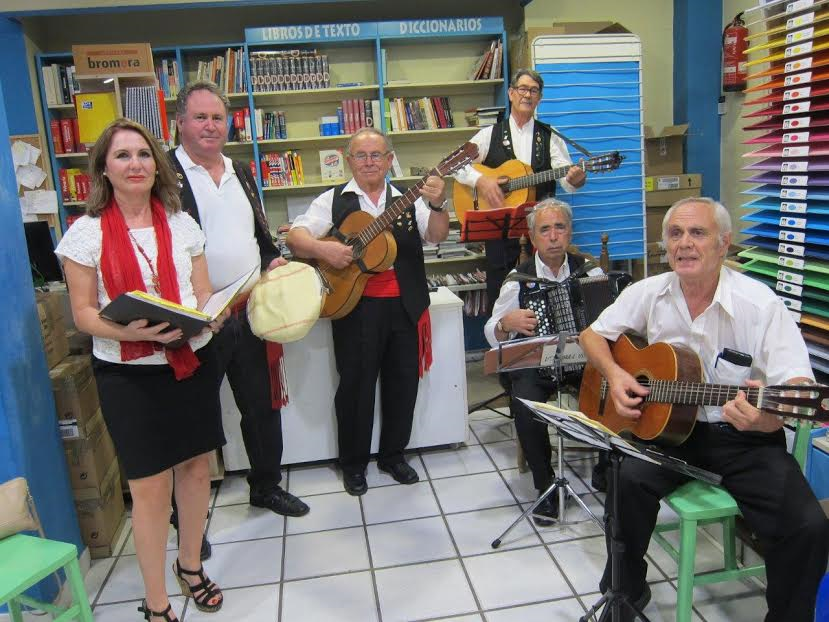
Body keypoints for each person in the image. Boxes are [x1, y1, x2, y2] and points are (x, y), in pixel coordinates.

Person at [579, 197, 829, 622]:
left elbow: (799, 386)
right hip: (672, 434)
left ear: (723, 244)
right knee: (624, 481)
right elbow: (592, 335)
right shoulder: (651, 292)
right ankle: (627, 589)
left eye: (698, 233)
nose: (685, 244)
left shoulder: (760, 305)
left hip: (746, 437)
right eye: (675, 234)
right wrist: (617, 376)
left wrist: (768, 415)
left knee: (807, 526)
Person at [55, 118, 226, 622]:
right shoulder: (84, 234)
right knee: (150, 488)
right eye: (123, 155)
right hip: (129, 375)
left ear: (158, 165)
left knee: (197, 470)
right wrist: (135, 334)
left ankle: (190, 567)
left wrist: (212, 311)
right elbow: (85, 313)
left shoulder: (180, 223)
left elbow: (203, 290)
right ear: (104, 169)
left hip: (190, 361)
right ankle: (155, 603)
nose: (136, 164)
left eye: (144, 154)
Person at [170, 80, 309, 521]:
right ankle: (187, 516)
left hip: (251, 312)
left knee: (262, 408)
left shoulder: (241, 171)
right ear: (180, 122)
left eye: (217, 117)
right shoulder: (163, 175)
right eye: (200, 117)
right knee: (192, 420)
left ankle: (266, 486)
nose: (210, 126)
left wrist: (273, 262)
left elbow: (259, 236)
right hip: (197, 321)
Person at [286, 127, 449, 496]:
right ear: (349, 161)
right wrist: (323, 250)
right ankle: (353, 464)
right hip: (353, 307)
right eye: (361, 155)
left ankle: (393, 456)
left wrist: (439, 205)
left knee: (402, 385)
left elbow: (437, 235)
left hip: (405, 306)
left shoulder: (411, 199)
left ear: (391, 160)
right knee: (355, 388)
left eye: (377, 154)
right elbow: (295, 236)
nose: (370, 162)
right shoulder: (334, 199)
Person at [484, 199, 603, 525]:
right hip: (537, 366)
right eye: (545, 230)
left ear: (569, 232)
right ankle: (547, 485)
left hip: (586, 362)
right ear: (534, 238)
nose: (553, 236)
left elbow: (614, 319)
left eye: (559, 228)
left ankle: (607, 468)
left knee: (613, 389)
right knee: (524, 404)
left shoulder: (590, 271)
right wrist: (506, 323)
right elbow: (490, 332)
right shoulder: (517, 279)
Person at [454, 68, 587, 312]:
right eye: (523, 89)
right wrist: (481, 181)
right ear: (511, 93)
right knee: (501, 292)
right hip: (501, 230)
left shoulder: (550, 136)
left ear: (540, 98)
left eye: (534, 91)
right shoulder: (489, 134)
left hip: (543, 232)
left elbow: (568, 180)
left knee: (543, 291)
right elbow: (456, 164)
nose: (528, 95)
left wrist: (576, 179)